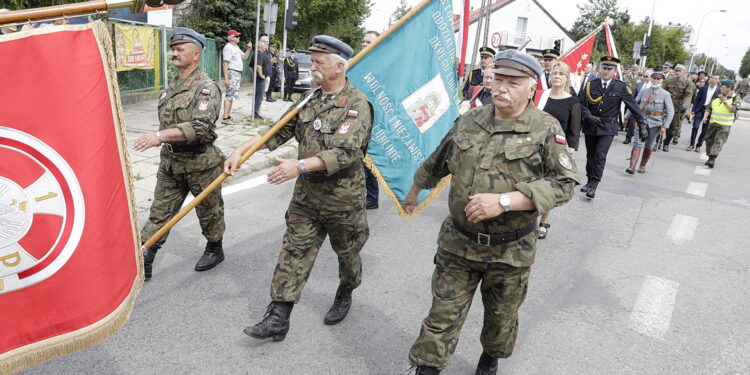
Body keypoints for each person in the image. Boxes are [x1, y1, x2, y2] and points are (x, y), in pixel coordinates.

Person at [403, 49, 579, 375]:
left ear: (532, 89)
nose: (501, 87)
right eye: (498, 79)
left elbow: (565, 184)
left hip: (509, 251)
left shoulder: (544, 129)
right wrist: (414, 190)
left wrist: (505, 202)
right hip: (458, 243)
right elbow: (439, 160)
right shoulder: (471, 120)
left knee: (500, 320)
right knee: (442, 315)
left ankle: (490, 358)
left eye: (513, 82)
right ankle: (426, 368)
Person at [225, 35, 373, 341]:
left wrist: (299, 166)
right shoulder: (309, 99)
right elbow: (276, 133)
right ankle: (279, 315)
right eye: (313, 59)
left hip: (343, 197)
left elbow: (346, 153)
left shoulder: (357, 104)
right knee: (295, 249)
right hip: (307, 196)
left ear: (340, 67)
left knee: (348, 254)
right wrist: (241, 150)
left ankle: (346, 289)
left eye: (320, 61)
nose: (313, 66)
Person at [132, 27, 225, 280]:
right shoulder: (172, 85)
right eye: (173, 48)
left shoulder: (206, 88)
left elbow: (201, 127)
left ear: (196, 54)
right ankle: (145, 256)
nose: (174, 52)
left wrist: (159, 137)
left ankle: (215, 248)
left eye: (180, 49)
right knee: (160, 212)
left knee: (209, 212)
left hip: (201, 164)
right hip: (172, 163)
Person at [578, 55, 645, 199]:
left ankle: (594, 184)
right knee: (590, 155)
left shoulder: (621, 87)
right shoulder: (591, 84)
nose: (606, 71)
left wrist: (642, 124)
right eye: (604, 68)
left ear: (614, 70)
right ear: (600, 68)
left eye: (609, 69)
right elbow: (581, 104)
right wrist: (588, 115)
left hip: (608, 126)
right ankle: (589, 180)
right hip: (591, 125)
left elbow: (633, 107)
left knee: (600, 155)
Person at [536, 61, 580, 239]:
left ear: (567, 78)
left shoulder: (572, 101)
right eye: (554, 73)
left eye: (561, 74)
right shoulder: (540, 96)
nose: (556, 76)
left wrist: (570, 151)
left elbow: (574, 131)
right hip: (534, 146)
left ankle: (543, 222)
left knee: (548, 186)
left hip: (556, 150)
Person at [625, 71, 674, 174]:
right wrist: (626, 117)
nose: (655, 81)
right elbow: (634, 104)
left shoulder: (665, 94)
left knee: (649, 145)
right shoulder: (644, 91)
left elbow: (670, 112)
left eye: (658, 79)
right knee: (637, 143)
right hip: (641, 121)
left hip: (655, 123)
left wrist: (665, 126)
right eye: (654, 78)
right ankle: (632, 166)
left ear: (662, 81)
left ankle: (642, 166)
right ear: (651, 79)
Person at [361, 30, 381, 209]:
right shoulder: (358, 63)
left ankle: (372, 197)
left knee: (369, 161)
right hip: (357, 118)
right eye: (363, 42)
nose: (365, 45)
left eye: (369, 42)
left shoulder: (381, 66)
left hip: (374, 121)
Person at [703, 80, 740, 168]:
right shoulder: (717, 96)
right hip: (713, 122)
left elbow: (733, 109)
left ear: (729, 88)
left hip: (725, 124)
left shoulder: (735, 97)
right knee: (708, 140)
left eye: (722, 87)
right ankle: (709, 156)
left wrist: (725, 101)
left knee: (719, 141)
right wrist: (705, 116)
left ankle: (712, 158)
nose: (720, 89)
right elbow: (709, 108)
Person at [221, 29, 252, 124]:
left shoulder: (236, 47)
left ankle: (228, 116)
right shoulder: (228, 47)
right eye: (237, 36)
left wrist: (249, 49)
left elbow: (245, 57)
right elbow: (225, 63)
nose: (239, 38)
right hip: (232, 73)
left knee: (233, 95)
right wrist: (226, 78)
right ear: (232, 38)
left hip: (237, 73)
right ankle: (225, 118)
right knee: (229, 95)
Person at [661, 64, 694, 150]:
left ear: (684, 72)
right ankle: (656, 141)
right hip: (666, 104)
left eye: (680, 71)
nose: (678, 72)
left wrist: (685, 105)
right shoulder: (668, 81)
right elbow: (662, 91)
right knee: (660, 123)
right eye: (676, 70)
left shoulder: (688, 83)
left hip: (677, 106)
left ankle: (666, 143)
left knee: (672, 127)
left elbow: (688, 95)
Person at [688, 74, 720, 152]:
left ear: (718, 81)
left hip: (710, 112)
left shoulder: (719, 91)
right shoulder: (704, 88)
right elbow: (697, 99)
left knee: (705, 131)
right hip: (700, 109)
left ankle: (698, 145)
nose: (713, 80)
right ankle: (691, 145)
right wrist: (694, 110)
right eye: (712, 78)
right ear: (710, 79)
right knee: (695, 127)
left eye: (715, 79)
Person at [250, 35, 272, 119]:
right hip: (260, 79)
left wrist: (255, 74)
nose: (267, 45)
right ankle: (255, 113)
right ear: (261, 46)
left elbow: (251, 66)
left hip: (259, 78)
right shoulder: (260, 54)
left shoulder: (257, 53)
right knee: (259, 97)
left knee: (259, 96)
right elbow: (258, 66)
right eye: (266, 43)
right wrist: (261, 75)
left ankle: (256, 112)